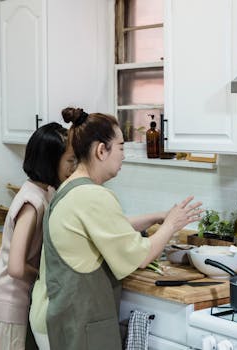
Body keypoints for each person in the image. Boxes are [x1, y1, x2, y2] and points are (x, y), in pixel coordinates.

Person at [29, 107, 203, 350]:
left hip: (54, 316)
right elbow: (140, 256)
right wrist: (172, 223)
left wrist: (157, 217)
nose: (124, 155)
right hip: (74, 324)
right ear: (101, 150)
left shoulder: (70, 188)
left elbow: (107, 227)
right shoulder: (93, 195)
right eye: (121, 147)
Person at [0, 122, 76, 350]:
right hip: (11, 303)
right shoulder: (31, 202)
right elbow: (16, 268)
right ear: (50, 161)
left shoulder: (44, 191)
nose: (73, 167)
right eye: (69, 160)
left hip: (21, 301)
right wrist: (45, 276)